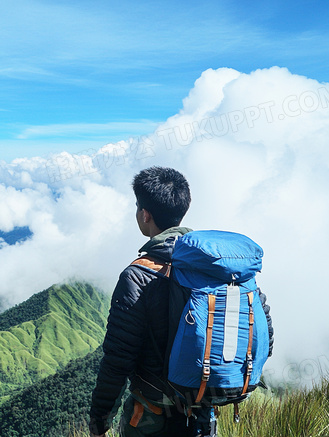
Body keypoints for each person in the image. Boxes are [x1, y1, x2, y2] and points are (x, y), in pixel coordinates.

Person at [88, 166, 273, 437]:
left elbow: (118, 359)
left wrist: (99, 420)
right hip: (202, 411)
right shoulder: (217, 268)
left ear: (144, 214)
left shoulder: (138, 276)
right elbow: (264, 334)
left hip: (151, 416)